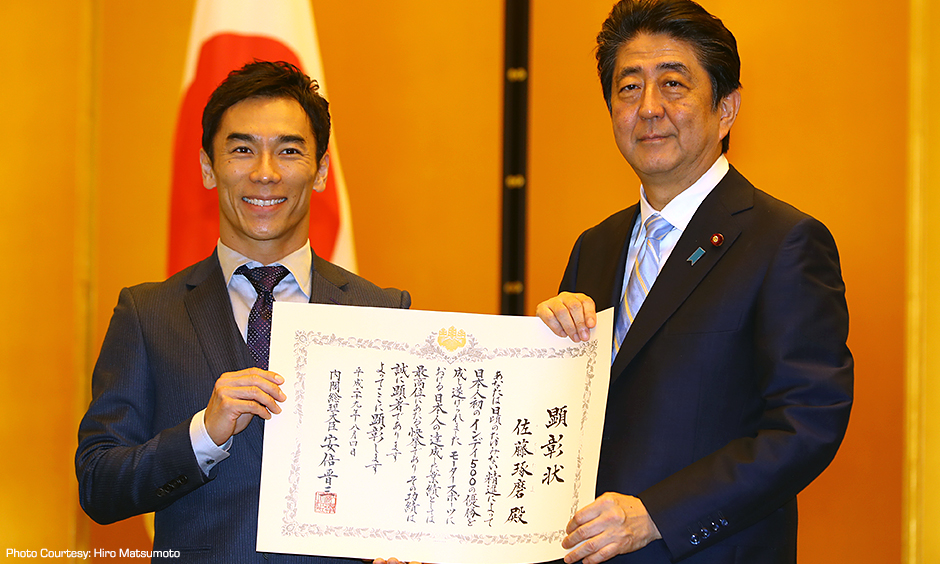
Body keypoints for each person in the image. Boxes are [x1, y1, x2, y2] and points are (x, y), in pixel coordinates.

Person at [536, 1, 853, 563]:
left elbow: (805, 428)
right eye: (628, 88)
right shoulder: (596, 246)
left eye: (674, 84)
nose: (649, 108)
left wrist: (656, 516)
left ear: (726, 108)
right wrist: (546, 353)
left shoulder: (783, 241)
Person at [76, 61, 411, 562]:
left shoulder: (381, 311)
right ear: (209, 168)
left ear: (320, 172)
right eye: (241, 149)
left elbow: (417, 479)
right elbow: (99, 486)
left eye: (290, 150)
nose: (265, 172)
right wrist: (202, 434)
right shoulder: (148, 314)